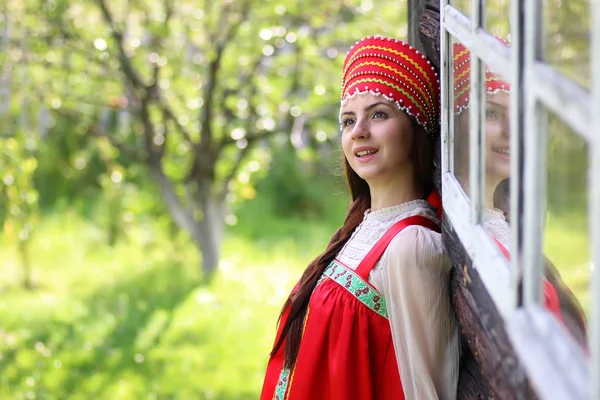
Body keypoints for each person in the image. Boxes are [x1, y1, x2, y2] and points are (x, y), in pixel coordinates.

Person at [260, 36, 460, 400]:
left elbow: (426, 390)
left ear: (416, 128)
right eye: (348, 121)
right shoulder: (359, 229)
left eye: (379, 114)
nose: (359, 131)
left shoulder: (410, 246)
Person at [452, 40, 587, 345]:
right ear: (455, 123)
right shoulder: (452, 230)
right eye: (491, 113)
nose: (512, 131)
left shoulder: (506, 218)